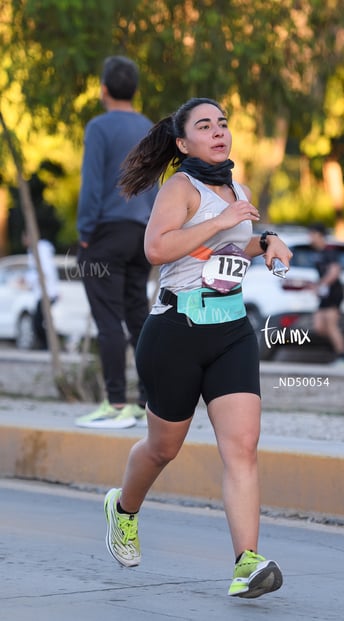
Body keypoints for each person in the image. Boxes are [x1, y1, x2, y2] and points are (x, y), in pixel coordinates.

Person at [103, 97, 292, 598]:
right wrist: (221, 218)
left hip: (230, 332)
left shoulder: (237, 188)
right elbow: (157, 249)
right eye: (205, 126)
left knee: (242, 448)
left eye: (223, 123)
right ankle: (123, 509)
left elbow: (232, 246)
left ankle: (246, 563)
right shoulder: (180, 189)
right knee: (163, 448)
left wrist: (267, 241)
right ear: (184, 143)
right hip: (176, 332)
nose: (219, 131)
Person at [75, 56, 158, 430]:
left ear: (103, 89)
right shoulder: (148, 128)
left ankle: (114, 402)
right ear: (135, 90)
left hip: (105, 234)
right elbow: (154, 186)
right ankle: (145, 403)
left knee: (108, 320)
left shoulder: (99, 127)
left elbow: (92, 185)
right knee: (138, 318)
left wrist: (84, 233)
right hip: (142, 233)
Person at [308, 223, 344, 365]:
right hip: (324, 295)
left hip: (334, 293)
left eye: (312, 235)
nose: (310, 238)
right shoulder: (318, 253)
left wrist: (321, 285)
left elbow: (334, 271)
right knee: (319, 326)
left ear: (320, 235)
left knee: (332, 325)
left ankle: (343, 356)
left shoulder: (330, 251)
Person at [22, 232, 59, 350]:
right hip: (42, 293)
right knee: (41, 320)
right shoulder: (34, 251)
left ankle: (48, 345)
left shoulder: (40, 251)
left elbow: (44, 271)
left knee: (39, 320)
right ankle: (47, 345)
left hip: (47, 292)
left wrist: (30, 279)